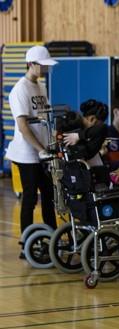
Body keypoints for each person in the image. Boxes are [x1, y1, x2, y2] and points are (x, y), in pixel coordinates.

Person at [6, 46, 58, 258]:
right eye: (42, 65)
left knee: (49, 195)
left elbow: (46, 119)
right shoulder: (20, 90)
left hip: (43, 152)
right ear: (32, 64)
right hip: (27, 154)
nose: (45, 69)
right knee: (30, 197)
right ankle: (25, 242)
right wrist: (40, 149)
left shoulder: (41, 87)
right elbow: (23, 126)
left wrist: (52, 143)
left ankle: (53, 237)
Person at [62, 99, 109, 166]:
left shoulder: (85, 133)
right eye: (98, 124)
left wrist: (78, 136)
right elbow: (103, 128)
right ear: (92, 119)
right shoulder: (73, 123)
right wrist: (78, 135)